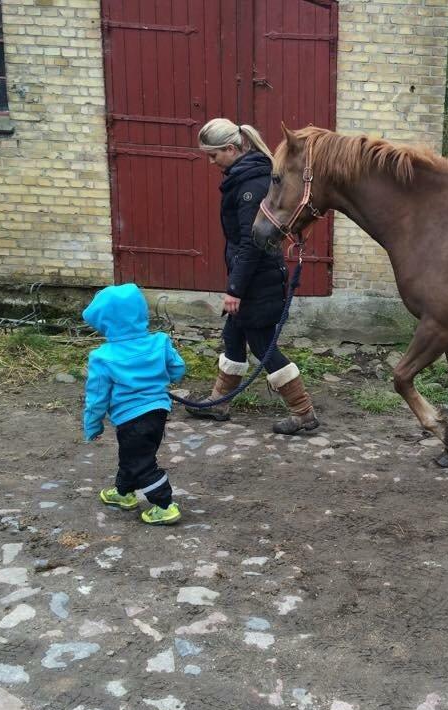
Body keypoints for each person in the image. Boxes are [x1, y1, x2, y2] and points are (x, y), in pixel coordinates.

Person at [185, 118, 319, 434]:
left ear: (231, 148)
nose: (211, 161)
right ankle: (218, 404)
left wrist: (235, 289)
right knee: (234, 336)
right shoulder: (246, 176)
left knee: (262, 345)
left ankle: (303, 412)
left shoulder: (251, 185)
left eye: (214, 155)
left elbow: (252, 242)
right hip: (253, 278)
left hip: (258, 280)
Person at [83, 283, 186, 526]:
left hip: (130, 419)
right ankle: (123, 493)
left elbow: (97, 397)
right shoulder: (159, 342)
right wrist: (159, 377)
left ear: (105, 322)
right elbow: (178, 368)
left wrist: (92, 424)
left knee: (142, 462)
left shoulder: (103, 356)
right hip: (158, 412)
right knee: (132, 455)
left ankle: (164, 505)